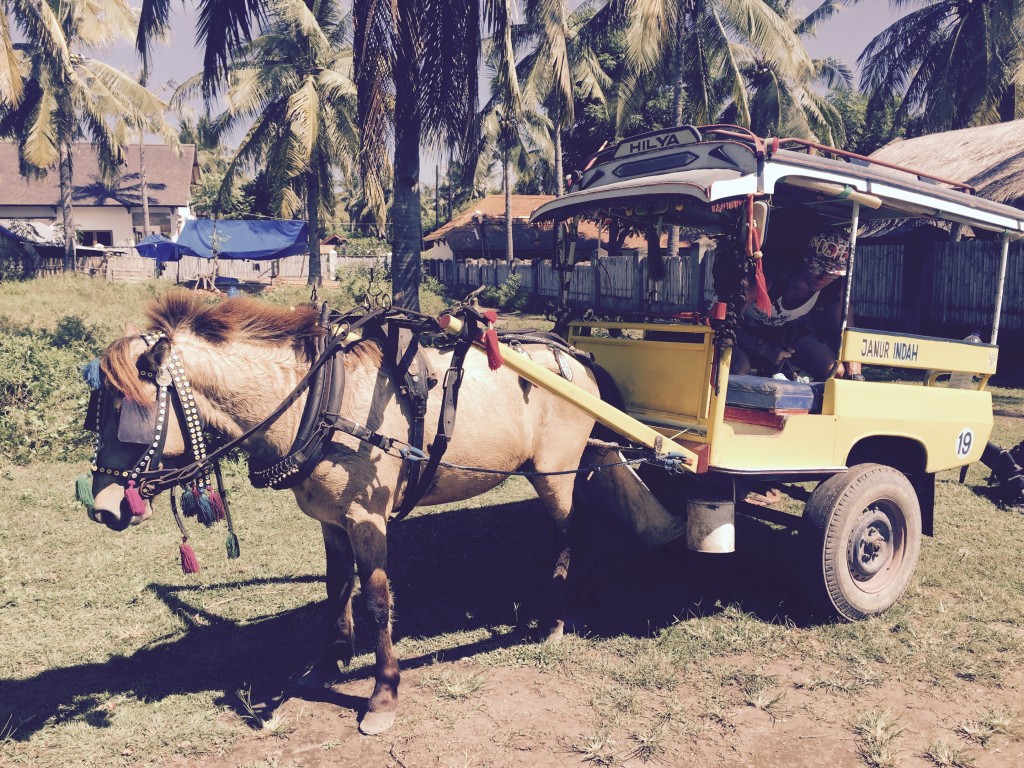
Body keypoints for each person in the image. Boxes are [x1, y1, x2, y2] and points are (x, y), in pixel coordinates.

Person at [731, 228, 863, 381]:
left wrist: (855, 374)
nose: (822, 278)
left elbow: (848, 332)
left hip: (785, 334)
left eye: (831, 274)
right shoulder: (771, 279)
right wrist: (761, 347)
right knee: (739, 368)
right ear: (804, 261)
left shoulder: (833, 288)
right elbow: (726, 322)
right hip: (741, 332)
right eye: (816, 268)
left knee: (837, 373)